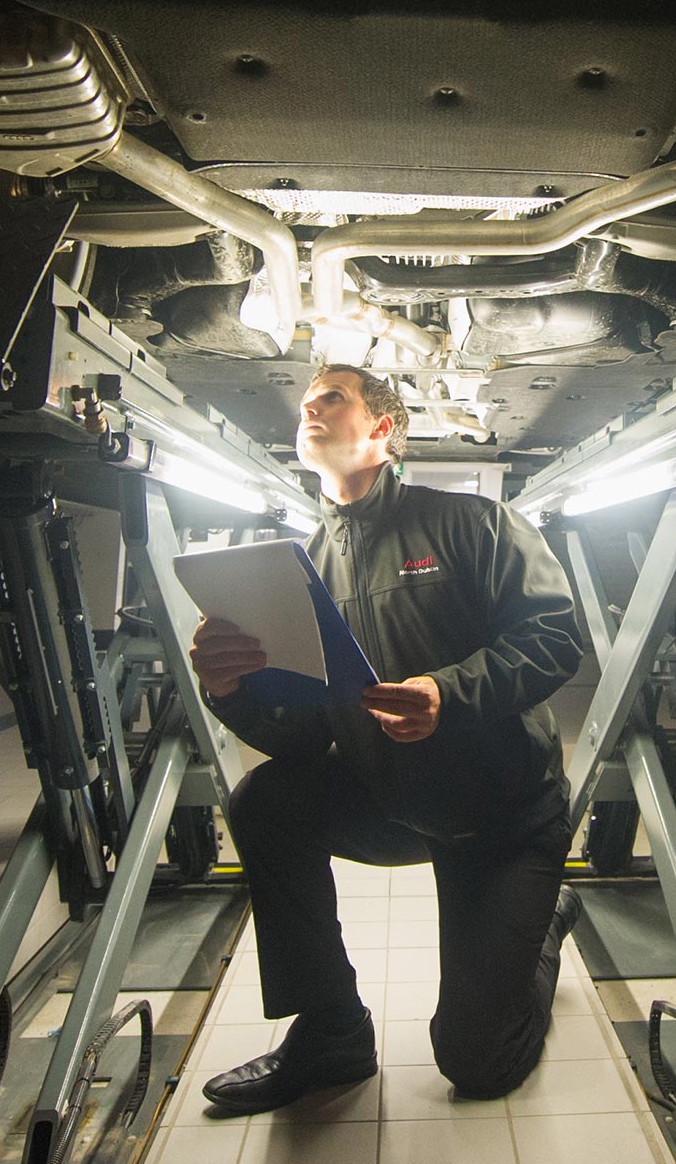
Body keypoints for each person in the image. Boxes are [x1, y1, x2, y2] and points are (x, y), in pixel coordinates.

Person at [190, 363, 585, 1114]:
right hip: (388, 798)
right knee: (267, 802)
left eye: (330, 398)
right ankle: (332, 1030)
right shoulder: (301, 569)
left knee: (476, 1060)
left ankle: (543, 930)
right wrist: (229, 691)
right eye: (304, 402)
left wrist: (450, 692)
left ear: (382, 430)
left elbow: (555, 635)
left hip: (499, 817)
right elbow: (303, 735)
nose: (309, 408)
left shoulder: (473, 525)